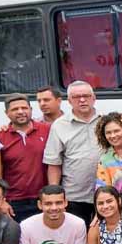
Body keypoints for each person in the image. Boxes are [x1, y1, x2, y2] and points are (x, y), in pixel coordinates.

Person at [43, 81, 102, 226]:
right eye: (76, 97)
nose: (82, 100)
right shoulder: (59, 125)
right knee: (78, 239)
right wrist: (55, 195)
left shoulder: (105, 121)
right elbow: (53, 163)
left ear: (94, 98)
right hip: (74, 196)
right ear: (69, 101)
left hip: (104, 195)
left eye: (86, 96)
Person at [0, 93, 51, 223]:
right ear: (7, 113)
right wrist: (1, 200)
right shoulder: (0, 136)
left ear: (31, 110)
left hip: (43, 199)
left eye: (24, 108)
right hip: (13, 203)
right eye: (15, 109)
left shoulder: (47, 130)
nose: (20, 112)